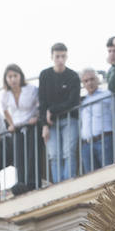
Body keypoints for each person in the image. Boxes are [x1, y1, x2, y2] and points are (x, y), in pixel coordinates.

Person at [39, 43, 80, 184]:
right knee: (54, 155)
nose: (60, 59)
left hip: (69, 119)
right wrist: (44, 124)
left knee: (69, 152)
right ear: (52, 57)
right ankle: (58, 184)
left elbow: (73, 101)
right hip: (51, 123)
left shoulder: (73, 76)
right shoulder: (45, 75)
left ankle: (68, 182)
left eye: (63, 56)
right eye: (57, 56)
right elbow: (42, 101)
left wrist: (52, 110)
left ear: (66, 56)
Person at [1, 64, 39, 195]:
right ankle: (22, 183)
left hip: (31, 125)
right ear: (6, 79)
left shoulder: (31, 89)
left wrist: (36, 116)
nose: (13, 79)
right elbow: (5, 110)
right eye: (10, 77)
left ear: (20, 76)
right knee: (19, 156)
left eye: (15, 76)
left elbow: (39, 103)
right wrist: (10, 124)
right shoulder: (6, 95)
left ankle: (32, 182)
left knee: (31, 154)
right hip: (17, 128)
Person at [78, 68, 115, 174]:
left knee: (108, 175)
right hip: (86, 145)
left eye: (92, 79)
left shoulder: (107, 94)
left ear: (97, 80)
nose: (89, 83)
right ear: (83, 84)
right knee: (91, 180)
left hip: (104, 141)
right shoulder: (82, 102)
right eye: (86, 81)